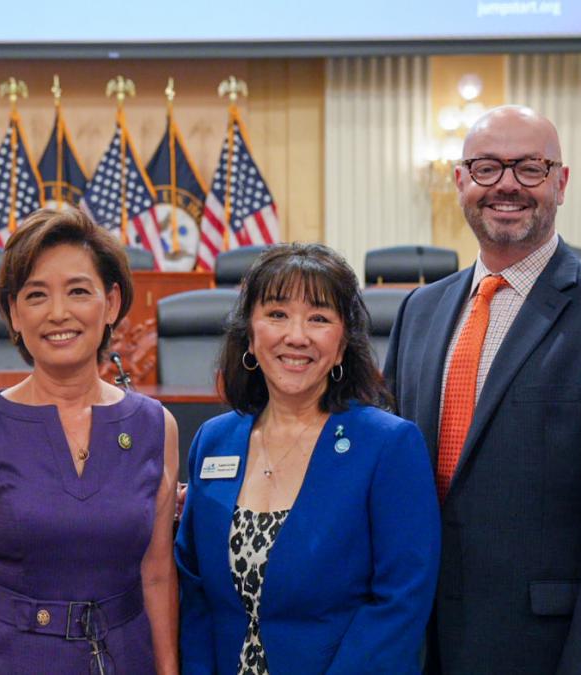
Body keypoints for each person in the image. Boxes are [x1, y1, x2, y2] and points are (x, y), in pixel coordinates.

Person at [385, 105, 581, 674]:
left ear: (561, 182)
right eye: (487, 168)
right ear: (459, 180)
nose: (506, 186)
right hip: (428, 645)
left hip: (562, 651)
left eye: (529, 168)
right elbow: (382, 469)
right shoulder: (419, 312)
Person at [0, 207, 180, 674]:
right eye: (37, 295)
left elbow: (158, 575)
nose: (58, 313)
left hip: (125, 659)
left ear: (111, 303)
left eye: (79, 292)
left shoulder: (155, 425)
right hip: (10, 659)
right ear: (13, 313)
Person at [176, 243, 440, 674]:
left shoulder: (388, 446)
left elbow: (400, 603)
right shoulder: (214, 441)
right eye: (277, 314)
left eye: (319, 318)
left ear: (341, 347)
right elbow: (195, 589)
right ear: (250, 335)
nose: (296, 335)